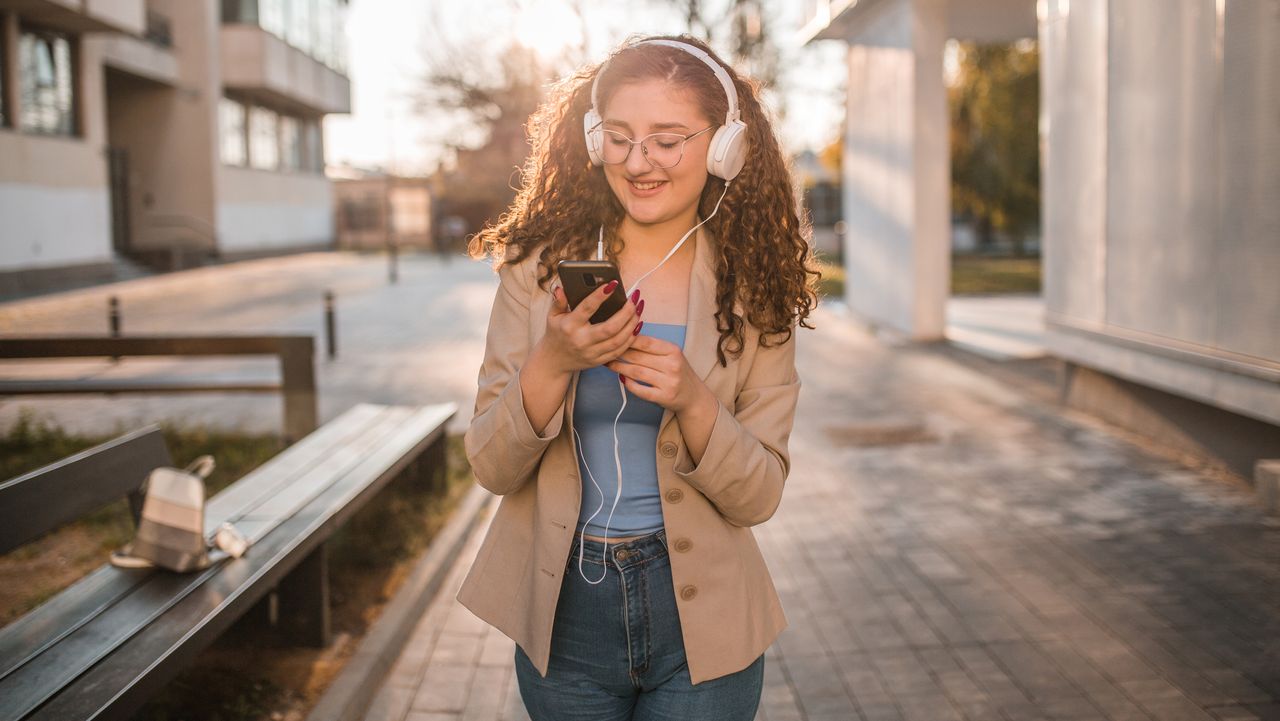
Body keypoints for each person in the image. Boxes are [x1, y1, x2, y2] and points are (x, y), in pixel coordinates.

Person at [456, 33, 818, 721]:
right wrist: (554, 361)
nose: (638, 161)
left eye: (667, 139)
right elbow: (491, 464)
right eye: (618, 137)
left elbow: (761, 492)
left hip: (704, 625)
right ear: (593, 141)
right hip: (565, 615)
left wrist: (691, 398)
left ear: (723, 147)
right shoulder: (536, 275)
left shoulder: (757, 289)